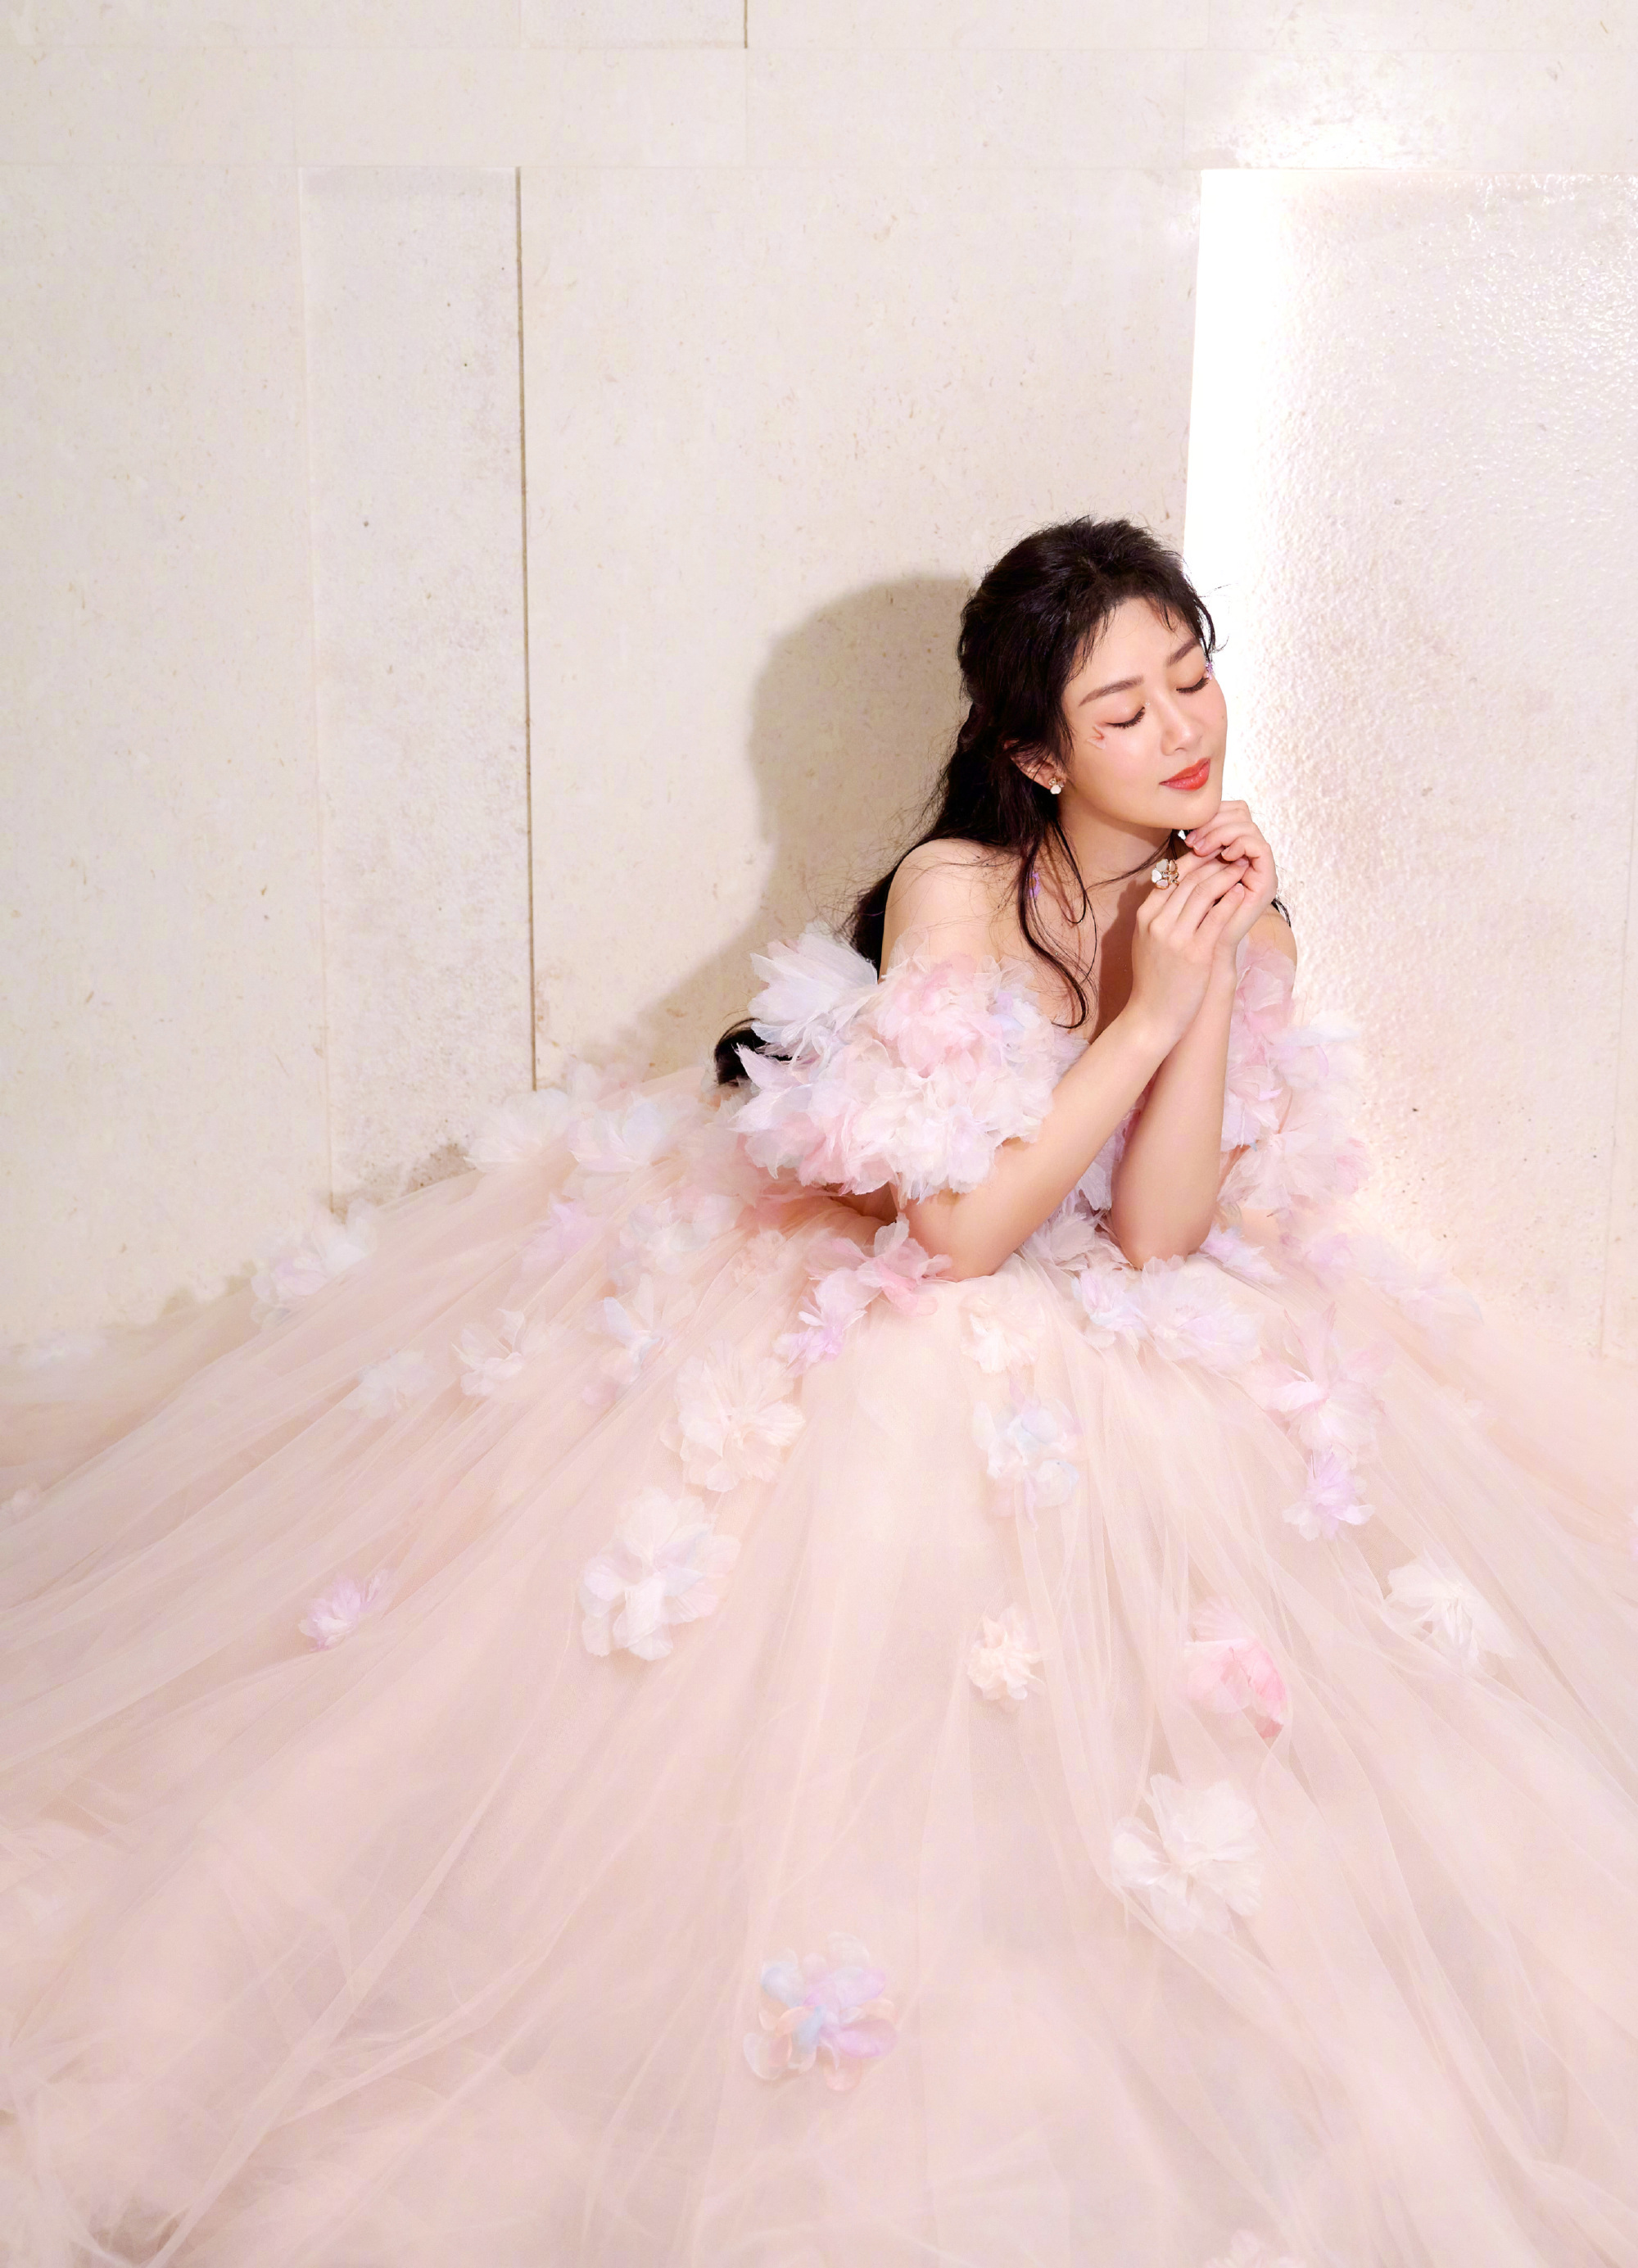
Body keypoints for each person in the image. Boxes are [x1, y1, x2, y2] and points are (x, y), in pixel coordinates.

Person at [2, 516, 1636, 2268]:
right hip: (899, 1280)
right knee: (889, 1442)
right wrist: (1145, 1018)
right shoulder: (958, 889)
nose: (1182, 730)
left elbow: (1158, 1239)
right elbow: (957, 1233)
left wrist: (1212, 972)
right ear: (1036, 754)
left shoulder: (1233, 900)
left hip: (1090, 1302)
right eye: (1122, 709)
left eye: (1192, 677)